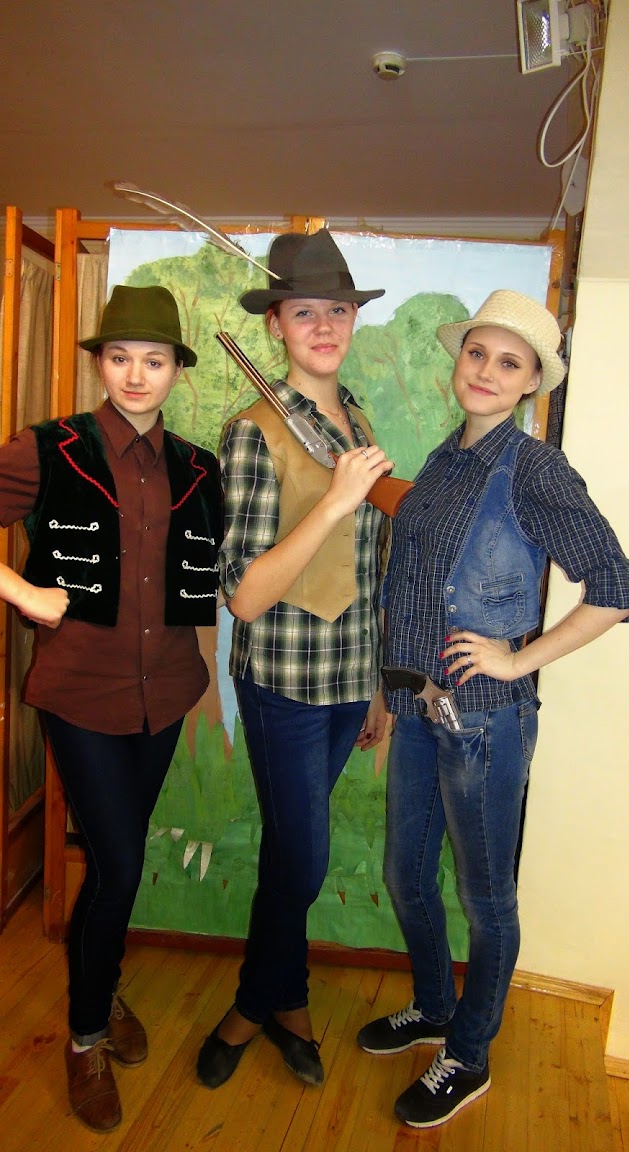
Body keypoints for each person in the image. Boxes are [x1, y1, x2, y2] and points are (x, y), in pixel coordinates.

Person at [356, 290, 629, 1128]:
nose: (486, 371)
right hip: (417, 708)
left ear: (530, 384)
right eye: (477, 353)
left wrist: (517, 657)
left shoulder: (535, 469)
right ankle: (433, 1005)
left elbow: (621, 590)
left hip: (487, 723)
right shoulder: (443, 459)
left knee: (486, 901)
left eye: (508, 362)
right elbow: (410, 589)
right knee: (406, 875)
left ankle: (470, 1053)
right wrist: (386, 691)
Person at [0, 285, 224, 1133]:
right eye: (120, 357)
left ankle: (101, 982)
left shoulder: (197, 468)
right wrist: (24, 592)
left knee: (111, 861)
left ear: (175, 371)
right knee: (123, 865)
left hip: (163, 694)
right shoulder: (49, 448)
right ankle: (86, 1035)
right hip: (81, 694)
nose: (136, 374)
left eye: (153, 360)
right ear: (100, 363)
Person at [197, 229, 393, 1091]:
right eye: (303, 311)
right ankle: (254, 1005)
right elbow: (243, 596)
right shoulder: (251, 432)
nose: (323, 325)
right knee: (305, 860)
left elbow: (372, 565)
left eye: (337, 310)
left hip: (350, 676)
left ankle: (288, 1002)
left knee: (289, 856)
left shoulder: (359, 418)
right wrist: (335, 501)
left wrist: (380, 685)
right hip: (283, 683)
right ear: (275, 324)